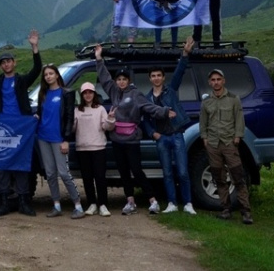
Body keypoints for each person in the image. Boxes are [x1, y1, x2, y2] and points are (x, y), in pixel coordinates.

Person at [94, 43, 174, 215]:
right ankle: (130, 202)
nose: (121, 82)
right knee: (123, 172)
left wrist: (165, 111)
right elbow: (104, 78)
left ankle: (152, 200)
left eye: (124, 79)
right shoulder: (114, 91)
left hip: (131, 140)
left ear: (129, 80)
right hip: (117, 139)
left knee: (136, 170)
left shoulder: (135, 94)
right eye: (119, 79)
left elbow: (149, 107)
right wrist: (99, 59)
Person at [0, 30, 42, 217]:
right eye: (3, 62)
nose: (6, 64)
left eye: (9, 61)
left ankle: (24, 203)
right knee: (1, 165)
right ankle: (3, 203)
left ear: (14, 63)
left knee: (21, 165)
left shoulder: (22, 81)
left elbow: (37, 70)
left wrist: (34, 47)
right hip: (1, 129)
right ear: (1, 66)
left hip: (20, 129)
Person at [141, 37, 197, 215]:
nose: (156, 78)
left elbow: (179, 72)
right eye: (153, 76)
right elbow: (144, 120)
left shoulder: (170, 90)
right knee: (167, 173)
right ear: (150, 78)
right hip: (162, 138)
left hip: (176, 134)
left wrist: (185, 54)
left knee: (182, 171)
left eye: (159, 75)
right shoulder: (147, 99)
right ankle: (172, 203)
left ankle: (188, 203)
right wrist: (153, 133)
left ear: (163, 77)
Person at [200, 68, 252, 224]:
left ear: (224, 81)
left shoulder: (233, 99)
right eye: (213, 80)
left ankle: (246, 211)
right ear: (210, 82)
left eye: (218, 79)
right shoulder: (206, 102)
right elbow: (203, 122)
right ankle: (226, 209)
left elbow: (239, 119)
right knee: (219, 177)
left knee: (238, 176)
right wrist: (204, 138)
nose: (216, 82)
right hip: (213, 144)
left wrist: (237, 136)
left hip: (229, 143)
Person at [36, 64, 85, 219]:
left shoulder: (66, 93)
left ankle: (78, 205)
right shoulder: (43, 94)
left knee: (64, 173)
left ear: (57, 75)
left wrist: (66, 140)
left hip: (59, 139)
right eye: (46, 75)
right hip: (43, 137)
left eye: (51, 73)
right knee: (50, 174)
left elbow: (70, 117)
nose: (48, 76)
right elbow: (40, 113)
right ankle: (56, 205)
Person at [73, 82, 113, 217]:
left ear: (94, 94)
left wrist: (111, 118)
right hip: (82, 148)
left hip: (98, 147)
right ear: (82, 95)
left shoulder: (100, 109)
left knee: (100, 177)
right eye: (85, 93)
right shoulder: (77, 110)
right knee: (87, 178)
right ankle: (92, 203)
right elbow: (72, 128)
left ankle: (103, 204)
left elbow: (107, 127)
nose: (88, 95)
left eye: (90, 92)